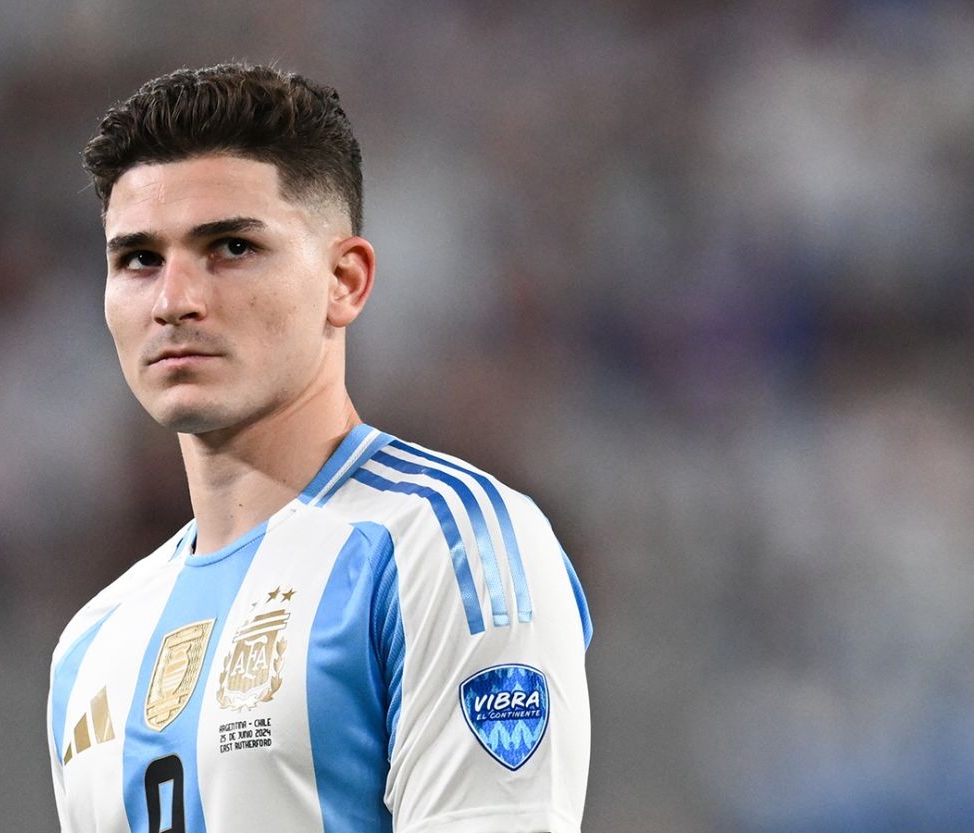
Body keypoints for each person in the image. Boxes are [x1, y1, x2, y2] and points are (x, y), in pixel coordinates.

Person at [47, 63, 592, 833]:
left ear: (345, 280)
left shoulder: (446, 544)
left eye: (231, 246)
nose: (174, 301)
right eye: (139, 259)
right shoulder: (93, 642)